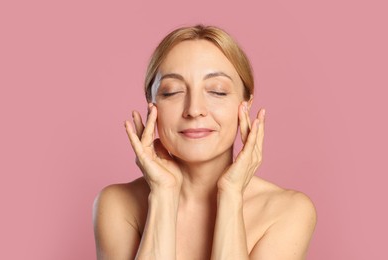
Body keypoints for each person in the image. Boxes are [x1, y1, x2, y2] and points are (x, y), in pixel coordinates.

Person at [93, 24, 317, 260]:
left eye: (217, 91)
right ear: (151, 104)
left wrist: (231, 195)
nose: (194, 110)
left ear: (246, 104)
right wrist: (163, 195)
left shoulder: (287, 211)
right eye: (171, 91)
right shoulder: (117, 205)